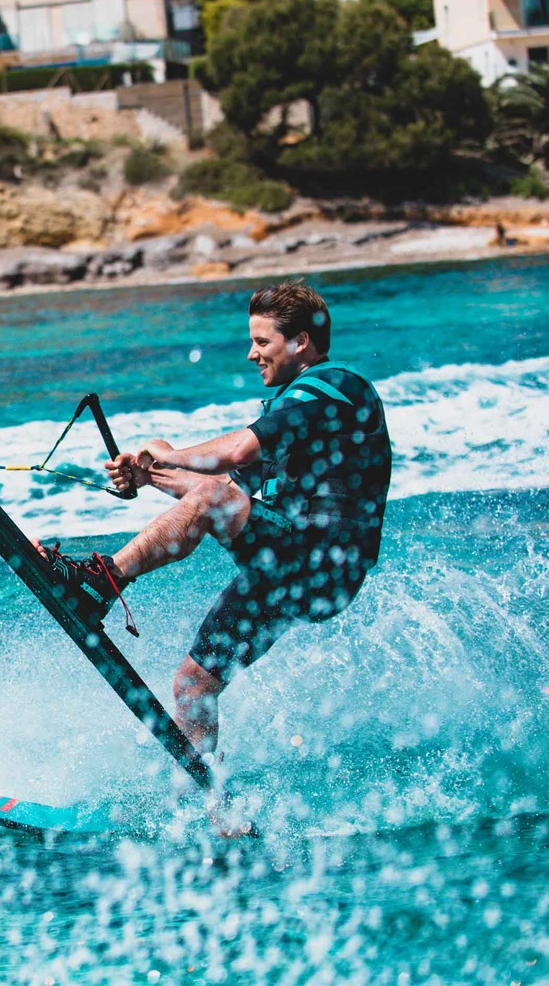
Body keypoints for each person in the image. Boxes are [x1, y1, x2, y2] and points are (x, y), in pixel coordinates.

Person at [32, 282, 392, 761]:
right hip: (284, 571)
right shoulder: (291, 409)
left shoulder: (334, 387)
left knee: (207, 494)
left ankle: (100, 582)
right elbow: (227, 488)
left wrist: (169, 455)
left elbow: (235, 456)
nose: (251, 354)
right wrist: (148, 473)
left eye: (261, 342)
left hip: (321, 562)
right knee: (193, 685)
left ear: (301, 342)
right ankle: (207, 796)